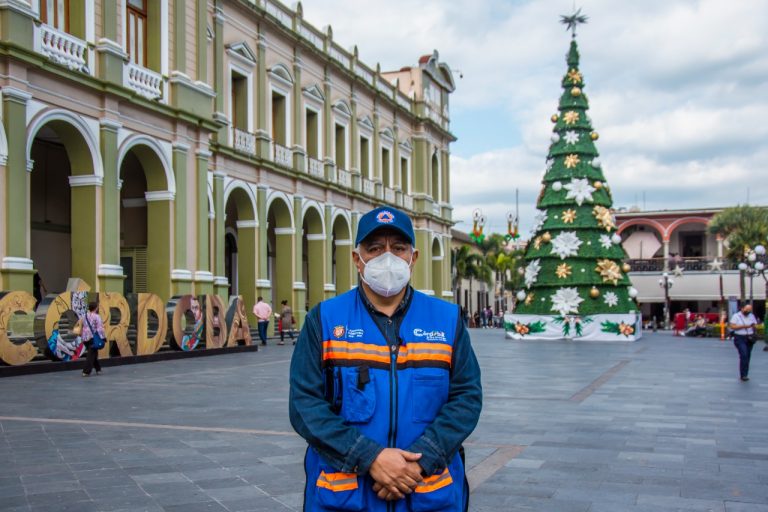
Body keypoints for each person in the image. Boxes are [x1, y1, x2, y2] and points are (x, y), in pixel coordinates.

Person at [289, 205, 482, 512]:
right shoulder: (324, 320)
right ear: (357, 259)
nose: (387, 257)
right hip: (344, 499)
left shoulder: (446, 320)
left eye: (399, 247)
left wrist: (419, 462)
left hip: (429, 495)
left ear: (413, 258)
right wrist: (370, 457)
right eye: (375, 248)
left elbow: (466, 399)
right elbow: (305, 406)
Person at [729, 303, 759, 381]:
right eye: (747, 309)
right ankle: (743, 375)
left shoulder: (751, 316)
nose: (748, 311)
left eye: (750, 310)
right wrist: (744, 326)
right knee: (744, 355)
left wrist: (754, 327)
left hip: (749, 338)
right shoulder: (736, 316)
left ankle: (745, 374)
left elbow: (755, 325)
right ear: (742, 309)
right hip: (740, 338)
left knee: (748, 356)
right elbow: (732, 326)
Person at [81, 301, 105, 377]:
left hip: (85, 337)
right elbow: (100, 328)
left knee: (93, 353)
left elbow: (83, 325)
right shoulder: (97, 317)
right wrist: (103, 337)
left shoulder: (84, 316)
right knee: (91, 355)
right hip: (93, 337)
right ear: (96, 308)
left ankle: (98, 369)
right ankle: (86, 371)